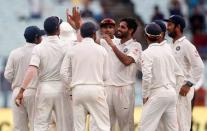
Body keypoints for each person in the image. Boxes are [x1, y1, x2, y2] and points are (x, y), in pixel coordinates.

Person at [15, 16, 73, 131]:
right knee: (65, 125)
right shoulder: (67, 45)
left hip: (44, 88)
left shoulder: (39, 47)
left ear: (45, 30)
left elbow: (32, 69)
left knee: (41, 125)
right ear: (58, 29)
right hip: (62, 88)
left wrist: (21, 91)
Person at [60, 22, 110, 131]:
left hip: (77, 90)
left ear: (81, 34)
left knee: (79, 127)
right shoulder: (102, 50)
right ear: (94, 34)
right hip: (96, 89)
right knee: (101, 126)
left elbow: (63, 73)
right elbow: (106, 76)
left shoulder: (73, 50)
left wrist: (71, 88)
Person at [139, 23, 184, 131]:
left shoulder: (147, 53)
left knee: (145, 128)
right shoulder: (168, 50)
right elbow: (180, 74)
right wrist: (174, 91)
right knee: (172, 129)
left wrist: (145, 95)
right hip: (171, 94)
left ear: (146, 36)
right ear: (160, 36)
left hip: (156, 94)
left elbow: (147, 76)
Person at [164, 15, 205, 131]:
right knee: (171, 125)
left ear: (178, 27)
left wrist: (188, 84)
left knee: (182, 124)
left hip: (182, 89)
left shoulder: (187, 45)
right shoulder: (170, 45)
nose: (167, 27)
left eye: (170, 25)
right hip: (171, 89)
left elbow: (199, 66)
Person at [102, 17, 142, 131]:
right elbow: (94, 39)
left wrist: (113, 46)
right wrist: (78, 27)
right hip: (109, 88)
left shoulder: (135, 46)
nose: (118, 29)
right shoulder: (113, 42)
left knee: (125, 125)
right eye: (119, 26)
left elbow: (127, 61)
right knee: (106, 124)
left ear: (130, 31)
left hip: (125, 89)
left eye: (122, 27)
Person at [4, 26, 45, 131]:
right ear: (36, 38)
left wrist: (17, 81)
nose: (42, 38)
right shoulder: (41, 52)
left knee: (19, 127)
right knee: (37, 126)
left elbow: (7, 75)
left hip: (17, 92)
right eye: (40, 36)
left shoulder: (14, 53)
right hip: (34, 91)